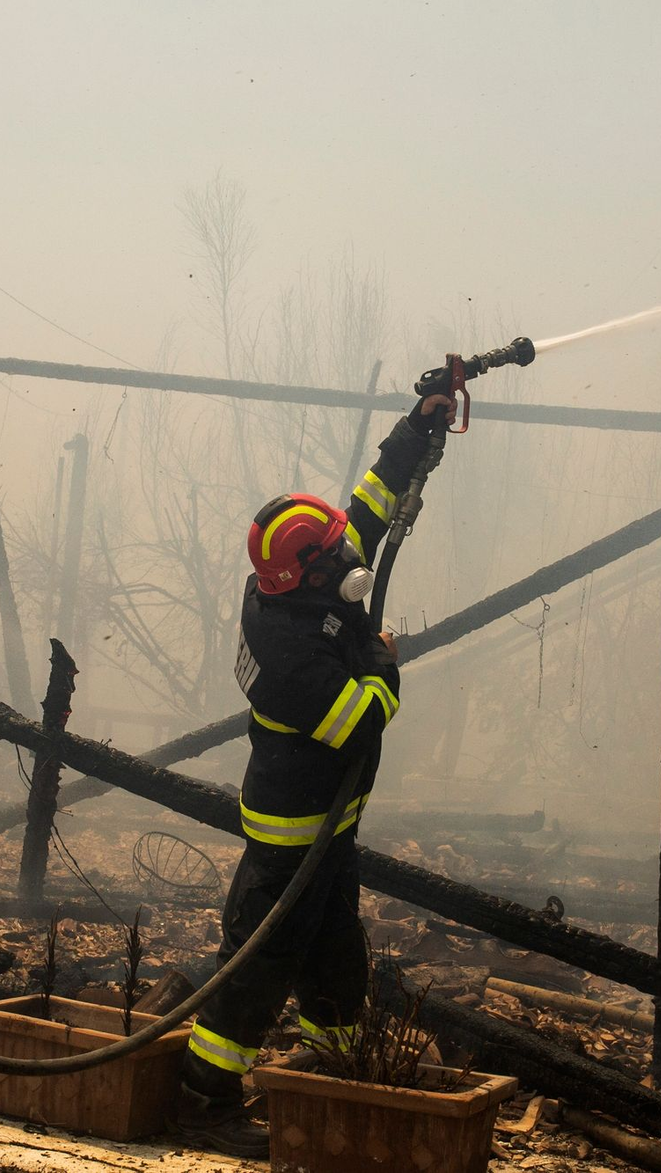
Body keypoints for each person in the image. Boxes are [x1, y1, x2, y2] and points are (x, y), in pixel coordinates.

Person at [173, 393, 455, 1157]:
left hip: (331, 828)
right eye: (336, 554)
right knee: (261, 962)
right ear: (306, 574)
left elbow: (366, 506)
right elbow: (361, 718)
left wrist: (417, 429)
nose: (351, 556)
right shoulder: (288, 657)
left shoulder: (304, 577)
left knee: (337, 958)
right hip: (293, 831)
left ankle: (330, 1068)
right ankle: (204, 1093)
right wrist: (382, 662)